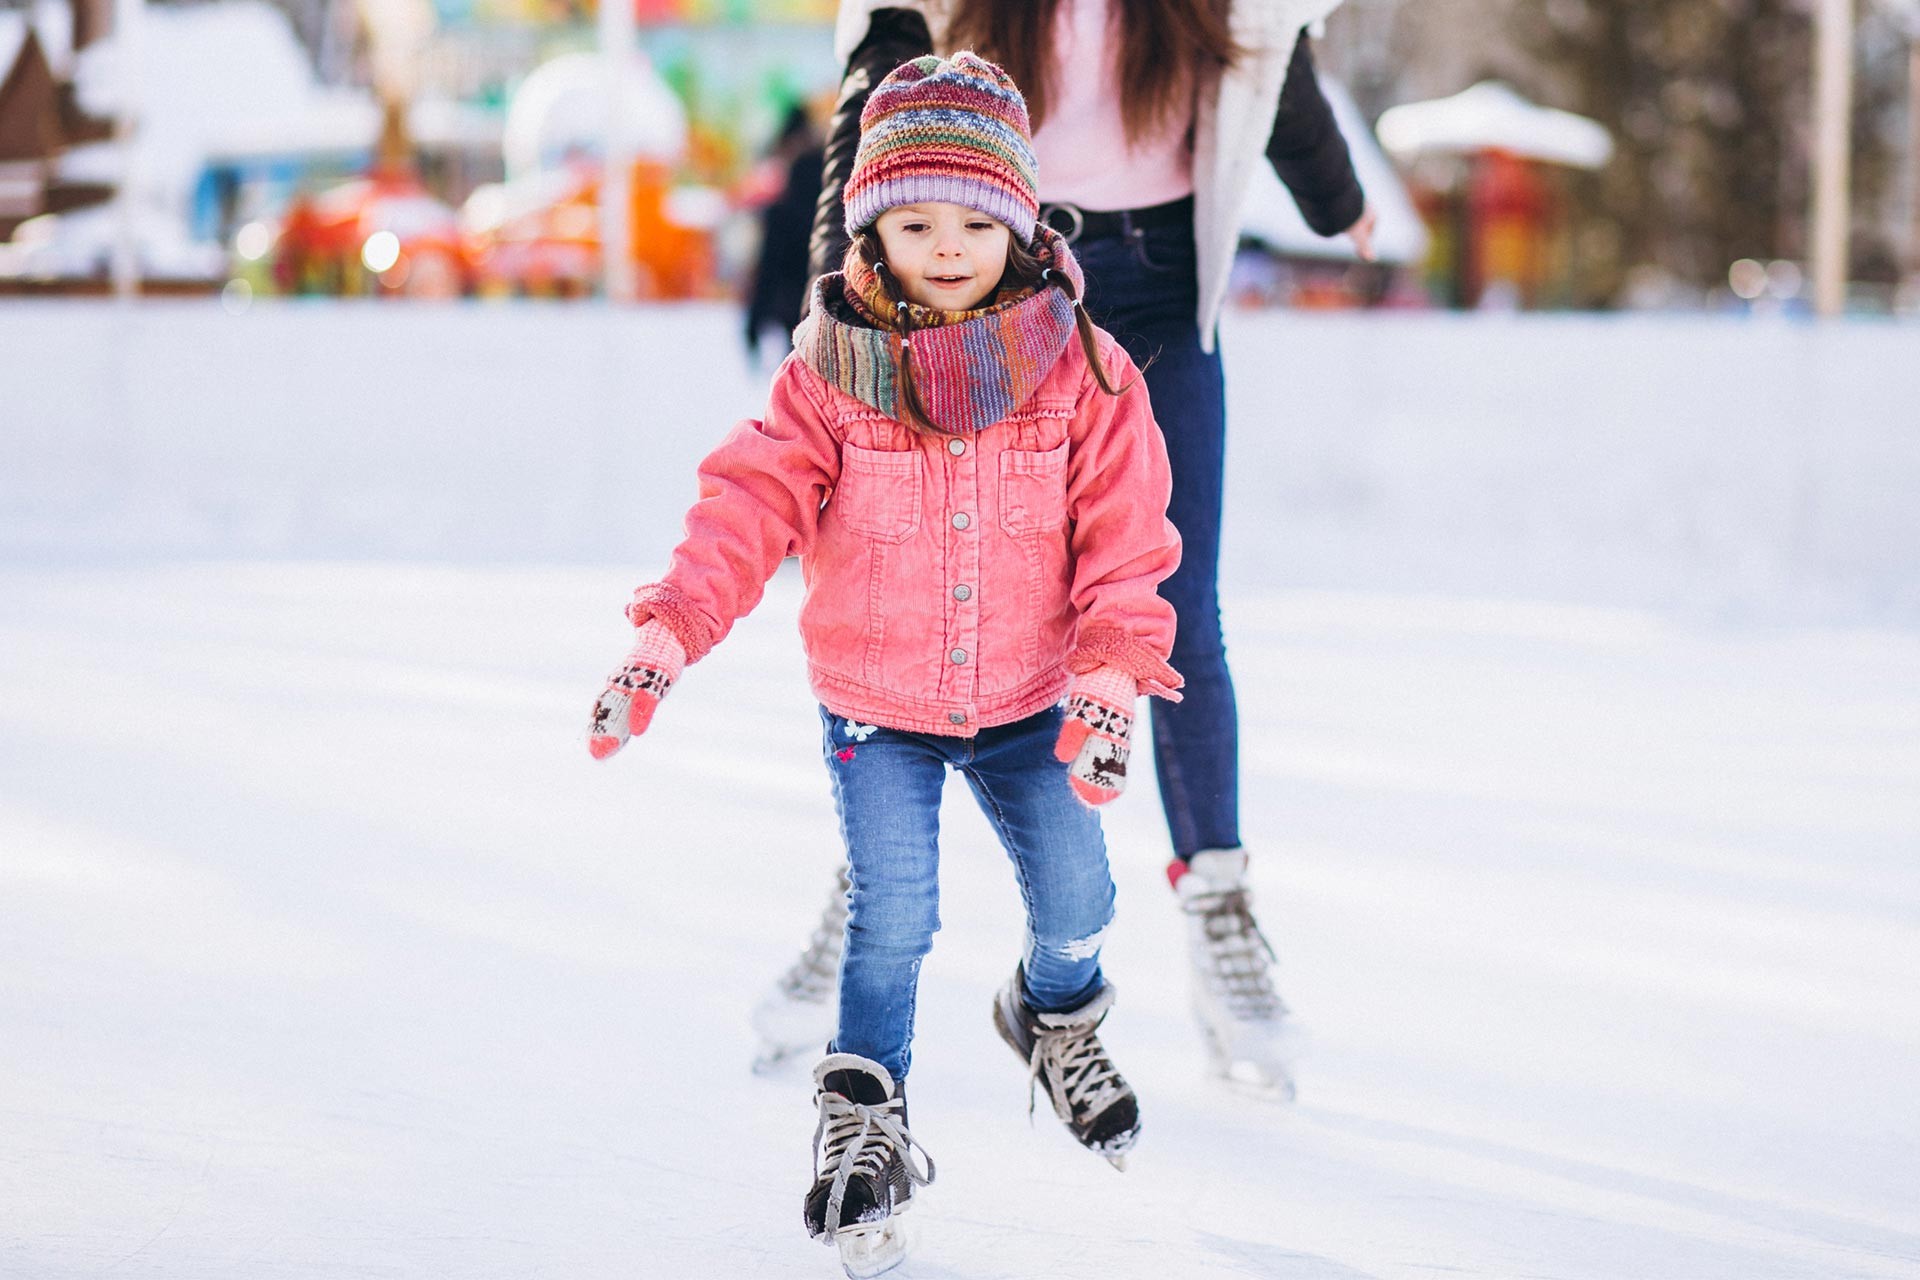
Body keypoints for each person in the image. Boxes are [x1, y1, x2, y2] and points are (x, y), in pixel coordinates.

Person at [588, 53, 1184, 1274]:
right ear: (871, 225)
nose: (948, 245)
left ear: (1018, 223)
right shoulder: (828, 374)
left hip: (1035, 700)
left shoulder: (1085, 371)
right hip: (879, 705)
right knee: (893, 915)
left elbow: (1128, 535)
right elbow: (746, 507)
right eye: (915, 221)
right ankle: (865, 1121)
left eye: (975, 220)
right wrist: (667, 634)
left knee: (1083, 899)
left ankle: (1054, 1013)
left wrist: (1114, 668)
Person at [752, 0, 1376, 1100]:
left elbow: (1276, 55)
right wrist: (830, 296)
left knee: (1172, 601)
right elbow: (877, 87)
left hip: (1164, 275)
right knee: (929, 583)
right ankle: (864, 889)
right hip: (981, 274)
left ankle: (1220, 913)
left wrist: (1339, 199)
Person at [742, 104, 827, 363]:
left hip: (791, 311)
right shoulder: (836, 211)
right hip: (827, 310)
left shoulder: (781, 212)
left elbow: (768, 266)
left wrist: (754, 323)